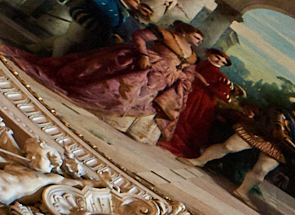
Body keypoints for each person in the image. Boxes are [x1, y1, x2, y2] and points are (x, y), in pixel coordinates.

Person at [9, 19, 199, 132]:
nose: (198, 41)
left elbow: (189, 67)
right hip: (146, 61)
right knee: (125, 83)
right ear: (184, 32)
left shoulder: (192, 54)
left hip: (165, 76)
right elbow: (139, 36)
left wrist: (181, 76)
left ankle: (123, 121)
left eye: (200, 39)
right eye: (196, 37)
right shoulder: (166, 35)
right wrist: (142, 54)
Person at [186, 98, 295, 201]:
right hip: (257, 134)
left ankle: (242, 191)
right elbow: (280, 135)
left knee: (262, 169)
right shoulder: (280, 114)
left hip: (275, 146)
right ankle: (199, 161)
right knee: (229, 147)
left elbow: (293, 143)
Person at [158, 46, 235, 157]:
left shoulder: (220, 76)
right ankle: (165, 136)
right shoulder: (199, 63)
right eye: (217, 57)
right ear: (209, 53)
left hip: (201, 100)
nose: (217, 61)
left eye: (221, 62)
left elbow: (225, 97)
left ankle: (176, 144)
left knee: (187, 119)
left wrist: (207, 85)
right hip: (189, 90)